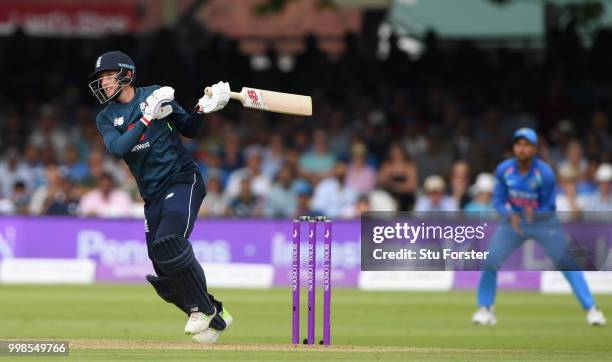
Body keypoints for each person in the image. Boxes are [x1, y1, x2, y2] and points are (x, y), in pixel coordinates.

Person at [89, 50, 233, 343]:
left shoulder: (156, 94)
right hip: (152, 196)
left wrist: (204, 108)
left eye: (107, 76)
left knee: (170, 241)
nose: (103, 83)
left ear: (126, 75)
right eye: (101, 78)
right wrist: (145, 117)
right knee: (162, 269)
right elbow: (118, 149)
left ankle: (201, 310)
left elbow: (189, 129)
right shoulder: (106, 117)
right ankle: (216, 315)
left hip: (183, 179)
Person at [472, 128, 606, 326]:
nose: (522, 149)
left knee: (567, 263)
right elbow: (498, 201)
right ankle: (485, 309)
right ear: (514, 147)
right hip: (514, 223)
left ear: (534, 149)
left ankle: (592, 309)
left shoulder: (544, 172)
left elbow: (550, 205)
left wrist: (535, 213)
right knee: (490, 260)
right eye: (519, 144)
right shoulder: (504, 170)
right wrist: (508, 214)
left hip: (544, 224)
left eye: (527, 145)